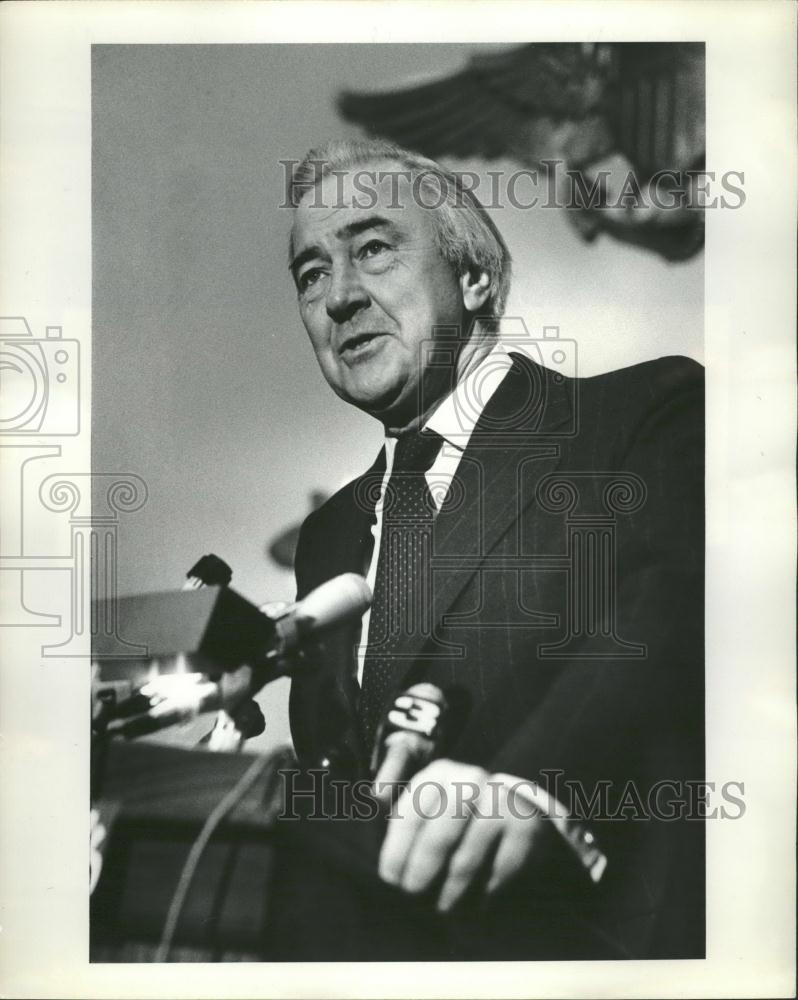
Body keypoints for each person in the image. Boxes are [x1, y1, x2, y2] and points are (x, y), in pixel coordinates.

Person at [284, 138, 704, 959]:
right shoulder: (328, 538)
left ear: (474, 277)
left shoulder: (643, 415)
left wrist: (539, 786)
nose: (337, 297)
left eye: (371, 248)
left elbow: (675, 613)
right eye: (309, 274)